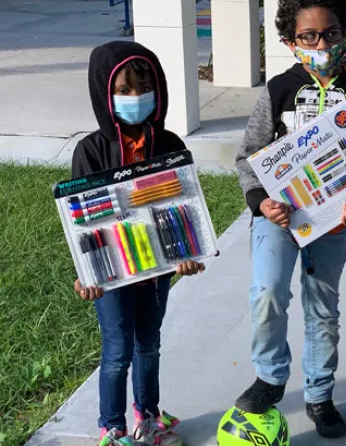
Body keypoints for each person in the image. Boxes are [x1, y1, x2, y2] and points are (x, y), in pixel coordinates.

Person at [233, 0, 346, 438]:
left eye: (331, 33)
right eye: (309, 36)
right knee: (267, 292)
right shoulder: (278, 90)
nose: (321, 43)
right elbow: (250, 156)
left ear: (345, 33)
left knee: (322, 309)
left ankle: (320, 395)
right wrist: (260, 202)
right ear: (291, 42)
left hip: (335, 221)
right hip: (279, 218)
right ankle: (270, 378)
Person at [72, 40, 206, 446]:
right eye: (124, 90)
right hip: (110, 273)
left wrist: (189, 255)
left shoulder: (170, 147)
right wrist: (86, 274)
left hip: (157, 268)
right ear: (103, 93)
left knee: (149, 343)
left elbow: (185, 211)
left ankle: (147, 416)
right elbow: (78, 222)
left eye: (143, 88)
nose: (136, 97)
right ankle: (111, 429)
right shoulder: (90, 151)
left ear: (158, 88)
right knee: (117, 351)